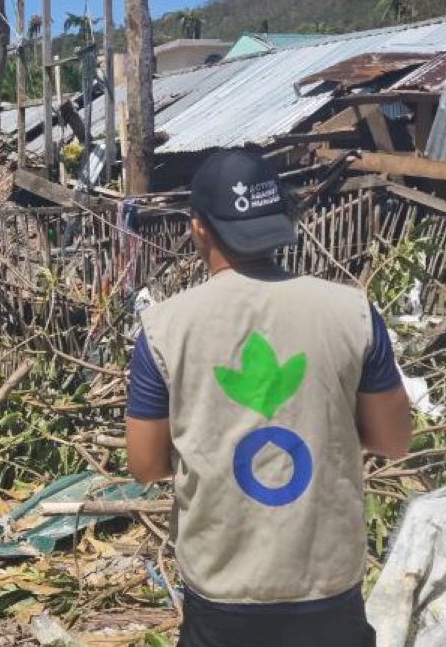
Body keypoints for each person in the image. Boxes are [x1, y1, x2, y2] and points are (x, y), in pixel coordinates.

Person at [125, 148, 413, 647]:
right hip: (325, 585)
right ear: (279, 222)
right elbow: (392, 441)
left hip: (223, 587)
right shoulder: (353, 314)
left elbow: (147, 465)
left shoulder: (164, 330)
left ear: (198, 228)